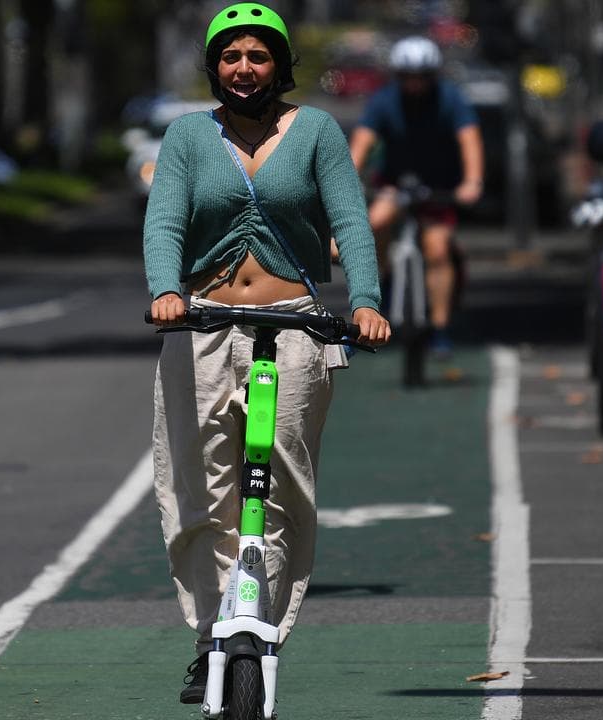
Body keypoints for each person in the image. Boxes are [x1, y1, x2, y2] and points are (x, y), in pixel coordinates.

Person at [143, 2, 390, 705]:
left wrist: (365, 301)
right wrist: (167, 290)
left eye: (257, 57)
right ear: (214, 66)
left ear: (280, 67)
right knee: (199, 491)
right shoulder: (189, 135)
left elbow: (349, 217)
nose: (243, 69)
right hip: (201, 325)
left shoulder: (315, 131)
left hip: (295, 327)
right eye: (230, 57)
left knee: (280, 487)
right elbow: (164, 220)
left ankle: (260, 628)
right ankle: (208, 638)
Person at [349, 35, 484, 360]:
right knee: (375, 223)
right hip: (394, 184)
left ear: (432, 75)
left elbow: (469, 139)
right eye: (408, 76)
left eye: (421, 76)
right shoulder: (384, 101)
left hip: (438, 188)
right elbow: (361, 144)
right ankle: (385, 277)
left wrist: (472, 181)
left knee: (437, 250)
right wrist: (347, 178)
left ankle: (439, 328)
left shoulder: (450, 100)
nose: (415, 84)